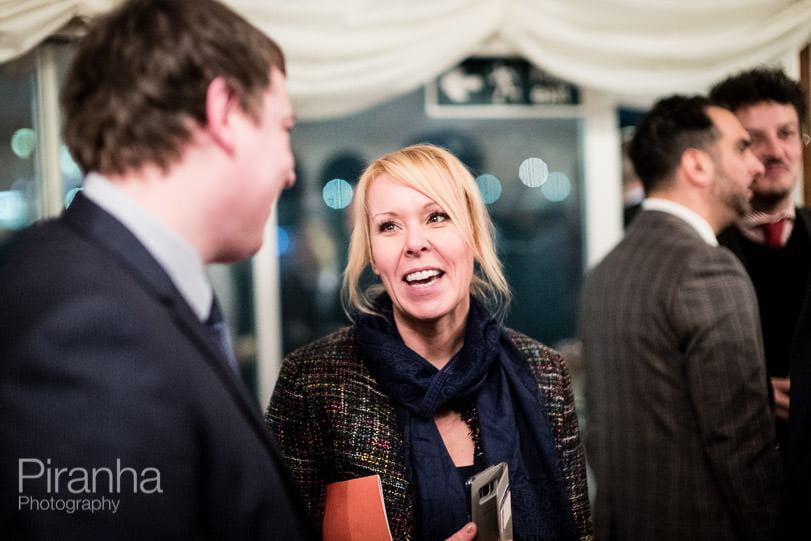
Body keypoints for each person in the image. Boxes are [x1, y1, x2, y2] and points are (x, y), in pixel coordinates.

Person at [0, 0, 315, 539]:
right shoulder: (87, 329)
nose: (289, 170)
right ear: (225, 111)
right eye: (283, 127)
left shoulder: (109, 284)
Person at [267, 144, 593, 540]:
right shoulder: (314, 381)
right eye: (389, 226)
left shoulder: (544, 373)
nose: (414, 243)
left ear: (472, 235)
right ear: (372, 254)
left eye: (437, 217)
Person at [579, 95, 782, 540]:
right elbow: (740, 443)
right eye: (741, 148)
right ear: (697, 166)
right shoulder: (708, 267)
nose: (757, 165)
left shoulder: (606, 270)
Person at [710, 68, 810, 460]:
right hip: (738, 471)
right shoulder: (701, 252)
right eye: (753, 140)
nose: (774, 152)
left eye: (786, 133)